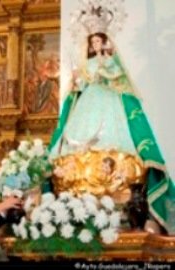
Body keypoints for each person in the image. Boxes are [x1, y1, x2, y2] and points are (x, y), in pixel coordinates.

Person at [49, 31, 175, 235]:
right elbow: (82, 83)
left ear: (104, 43)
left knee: (116, 139)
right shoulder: (87, 64)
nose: (96, 45)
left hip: (108, 100)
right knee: (77, 142)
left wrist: (108, 61)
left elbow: (117, 76)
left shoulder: (109, 60)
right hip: (89, 100)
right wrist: (74, 79)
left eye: (98, 41)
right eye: (93, 43)